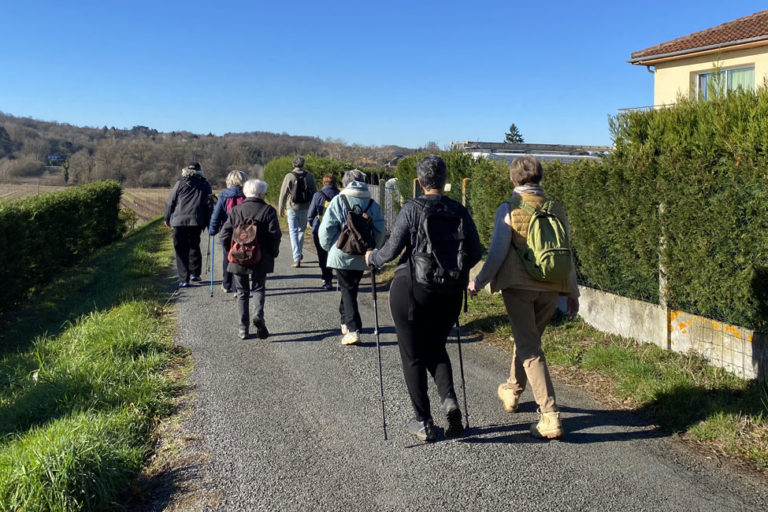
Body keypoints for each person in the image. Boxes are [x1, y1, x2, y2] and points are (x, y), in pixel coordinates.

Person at [366, 155, 482, 442]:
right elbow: (477, 251)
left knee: (413, 354)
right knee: (436, 347)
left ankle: (423, 422)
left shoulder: (412, 208)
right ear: (445, 181)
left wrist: (372, 258)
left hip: (411, 290)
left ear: (419, 182)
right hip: (450, 293)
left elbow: (390, 251)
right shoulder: (459, 210)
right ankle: (449, 400)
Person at [467, 155, 579, 440]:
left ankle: (549, 415)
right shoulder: (556, 207)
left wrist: (478, 282)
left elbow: (497, 253)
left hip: (519, 288)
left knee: (529, 348)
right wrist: (572, 292)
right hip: (552, 286)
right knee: (528, 339)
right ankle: (513, 390)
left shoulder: (509, 208)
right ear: (539, 177)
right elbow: (567, 251)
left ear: (513, 179)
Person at [319, 169, 386, 345]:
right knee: (349, 288)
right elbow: (380, 231)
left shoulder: (338, 200)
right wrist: (373, 250)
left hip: (342, 252)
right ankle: (344, 320)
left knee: (347, 288)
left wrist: (330, 248)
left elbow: (326, 229)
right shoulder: (373, 204)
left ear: (345, 182)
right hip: (364, 254)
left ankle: (352, 328)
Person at [220, 179, 282, 339]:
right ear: (261, 194)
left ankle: (243, 329)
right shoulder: (268, 210)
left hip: (239, 258)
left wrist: (232, 251)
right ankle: (258, 316)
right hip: (261, 257)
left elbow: (224, 234)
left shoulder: (236, 210)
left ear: (246, 193)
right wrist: (272, 253)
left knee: (241, 292)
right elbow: (275, 235)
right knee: (258, 289)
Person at [164, 162, 213, 288]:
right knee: (194, 245)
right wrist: (209, 224)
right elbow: (208, 205)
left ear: (185, 171)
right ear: (200, 171)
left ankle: (183, 279)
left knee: (181, 249)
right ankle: (195, 273)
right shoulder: (205, 185)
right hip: (196, 221)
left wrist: (167, 218)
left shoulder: (179, 184)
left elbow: (170, 202)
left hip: (179, 221)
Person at [209, 170, 248, 293]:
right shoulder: (247, 195)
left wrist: (212, 229)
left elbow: (217, 215)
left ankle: (226, 284)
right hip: (243, 231)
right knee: (241, 257)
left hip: (227, 231)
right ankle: (238, 287)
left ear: (229, 181)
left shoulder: (223, 195)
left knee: (227, 257)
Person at [278, 156, 317, 267]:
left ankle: (297, 257)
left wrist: (281, 209)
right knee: (301, 231)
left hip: (292, 207)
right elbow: (314, 192)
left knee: (293, 232)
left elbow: (283, 194)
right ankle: (298, 254)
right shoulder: (309, 176)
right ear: (303, 165)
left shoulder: (289, 176)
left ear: (293, 165)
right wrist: (314, 209)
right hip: (305, 207)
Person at [307, 173, 340, 290]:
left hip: (319, 229)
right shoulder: (340, 194)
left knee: (322, 255)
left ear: (323, 182)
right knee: (334, 253)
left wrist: (311, 223)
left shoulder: (318, 195)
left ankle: (327, 280)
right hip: (337, 230)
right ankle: (340, 278)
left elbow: (311, 213)